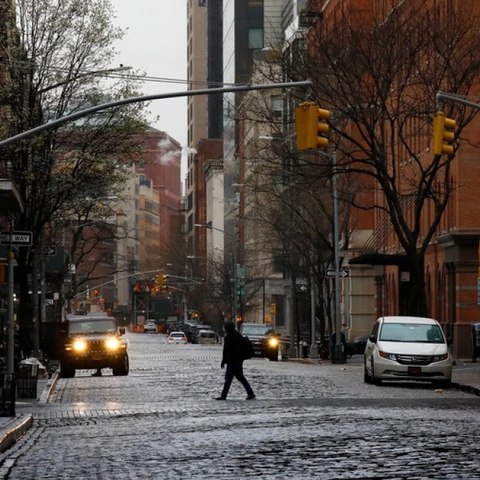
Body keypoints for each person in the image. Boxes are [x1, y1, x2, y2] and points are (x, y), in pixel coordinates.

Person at [215, 321, 256, 400]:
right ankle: (251, 393)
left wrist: (224, 361)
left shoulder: (229, 337)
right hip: (238, 361)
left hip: (232, 362)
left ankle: (224, 395)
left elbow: (226, 351)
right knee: (240, 377)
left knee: (228, 379)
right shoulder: (238, 336)